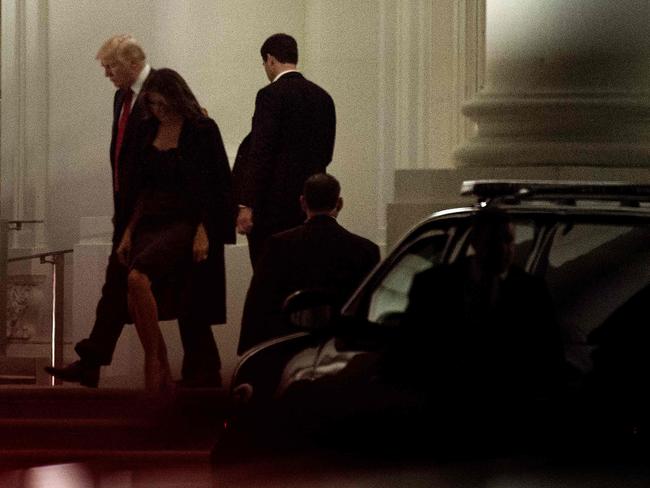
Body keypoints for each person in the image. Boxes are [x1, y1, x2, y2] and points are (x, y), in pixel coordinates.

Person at [45, 36, 224, 388]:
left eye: (110, 66)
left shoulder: (163, 95)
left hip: (175, 215)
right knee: (119, 283)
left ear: (131, 63)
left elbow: (208, 172)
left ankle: (181, 364)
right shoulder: (122, 98)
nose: (106, 73)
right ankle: (97, 359)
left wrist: (203, 224)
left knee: (166, 285)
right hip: (138, 211)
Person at [116, 68, 234, 392]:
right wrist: (128, 231)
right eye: (152, 104)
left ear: (176, 97)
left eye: (162, 103)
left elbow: (218, 185)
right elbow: (139, 188)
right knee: (143, 291)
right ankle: (164, 360)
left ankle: (156, 360)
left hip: (185, 220)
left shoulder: (202, 130)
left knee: (140, 278)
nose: (158, 111)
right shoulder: (147, 130)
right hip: (151, 220)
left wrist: (204, 230)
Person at [385, 209, 565, 402]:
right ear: (475, 242)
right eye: (494, 241)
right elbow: (410, 347)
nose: (503, 249)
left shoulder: (531, 291)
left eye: (508, 240)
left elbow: (549, 357)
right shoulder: (433, 285)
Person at [237, 173, 380, 354]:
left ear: (303, 202)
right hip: (343, 347)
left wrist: (250, 351)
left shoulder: (278, 245)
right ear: (339, 203)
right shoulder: (366, 250)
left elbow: (259, 302)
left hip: (290, 347)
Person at [235, 33, 336, 269]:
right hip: (310, 207)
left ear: (270, 59)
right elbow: (326, 153)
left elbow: (261, 152)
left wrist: (247, 203)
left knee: (269, 278)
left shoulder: (270, 95)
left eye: (264, 64)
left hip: (272, 210)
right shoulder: (324, 98)